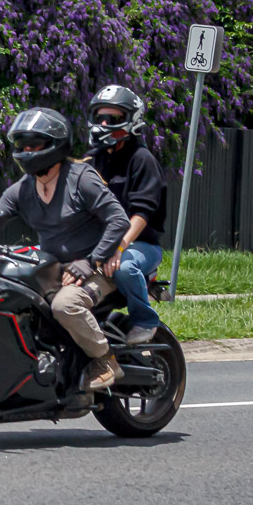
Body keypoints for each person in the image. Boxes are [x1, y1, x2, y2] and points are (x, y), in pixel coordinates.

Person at [0, 107, 131, 391]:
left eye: (33, 145)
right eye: (22, 145)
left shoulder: (81, 179)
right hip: (55, 269)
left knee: (65, 305)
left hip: (98, 268)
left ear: (54, 145)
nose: (26, 151)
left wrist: (91, 261)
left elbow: (119, 220)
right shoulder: (23, 189)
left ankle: (105, 361)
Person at [86, 85, 167, 344]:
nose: (104, 124)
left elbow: (142, 213)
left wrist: (119, 247)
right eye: (99, 117)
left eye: (113, 118)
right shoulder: (92, 160)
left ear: (132, 121)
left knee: (125, 268)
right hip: (99, 244)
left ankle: (145, 321)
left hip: (140, 245)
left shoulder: (142, 160)